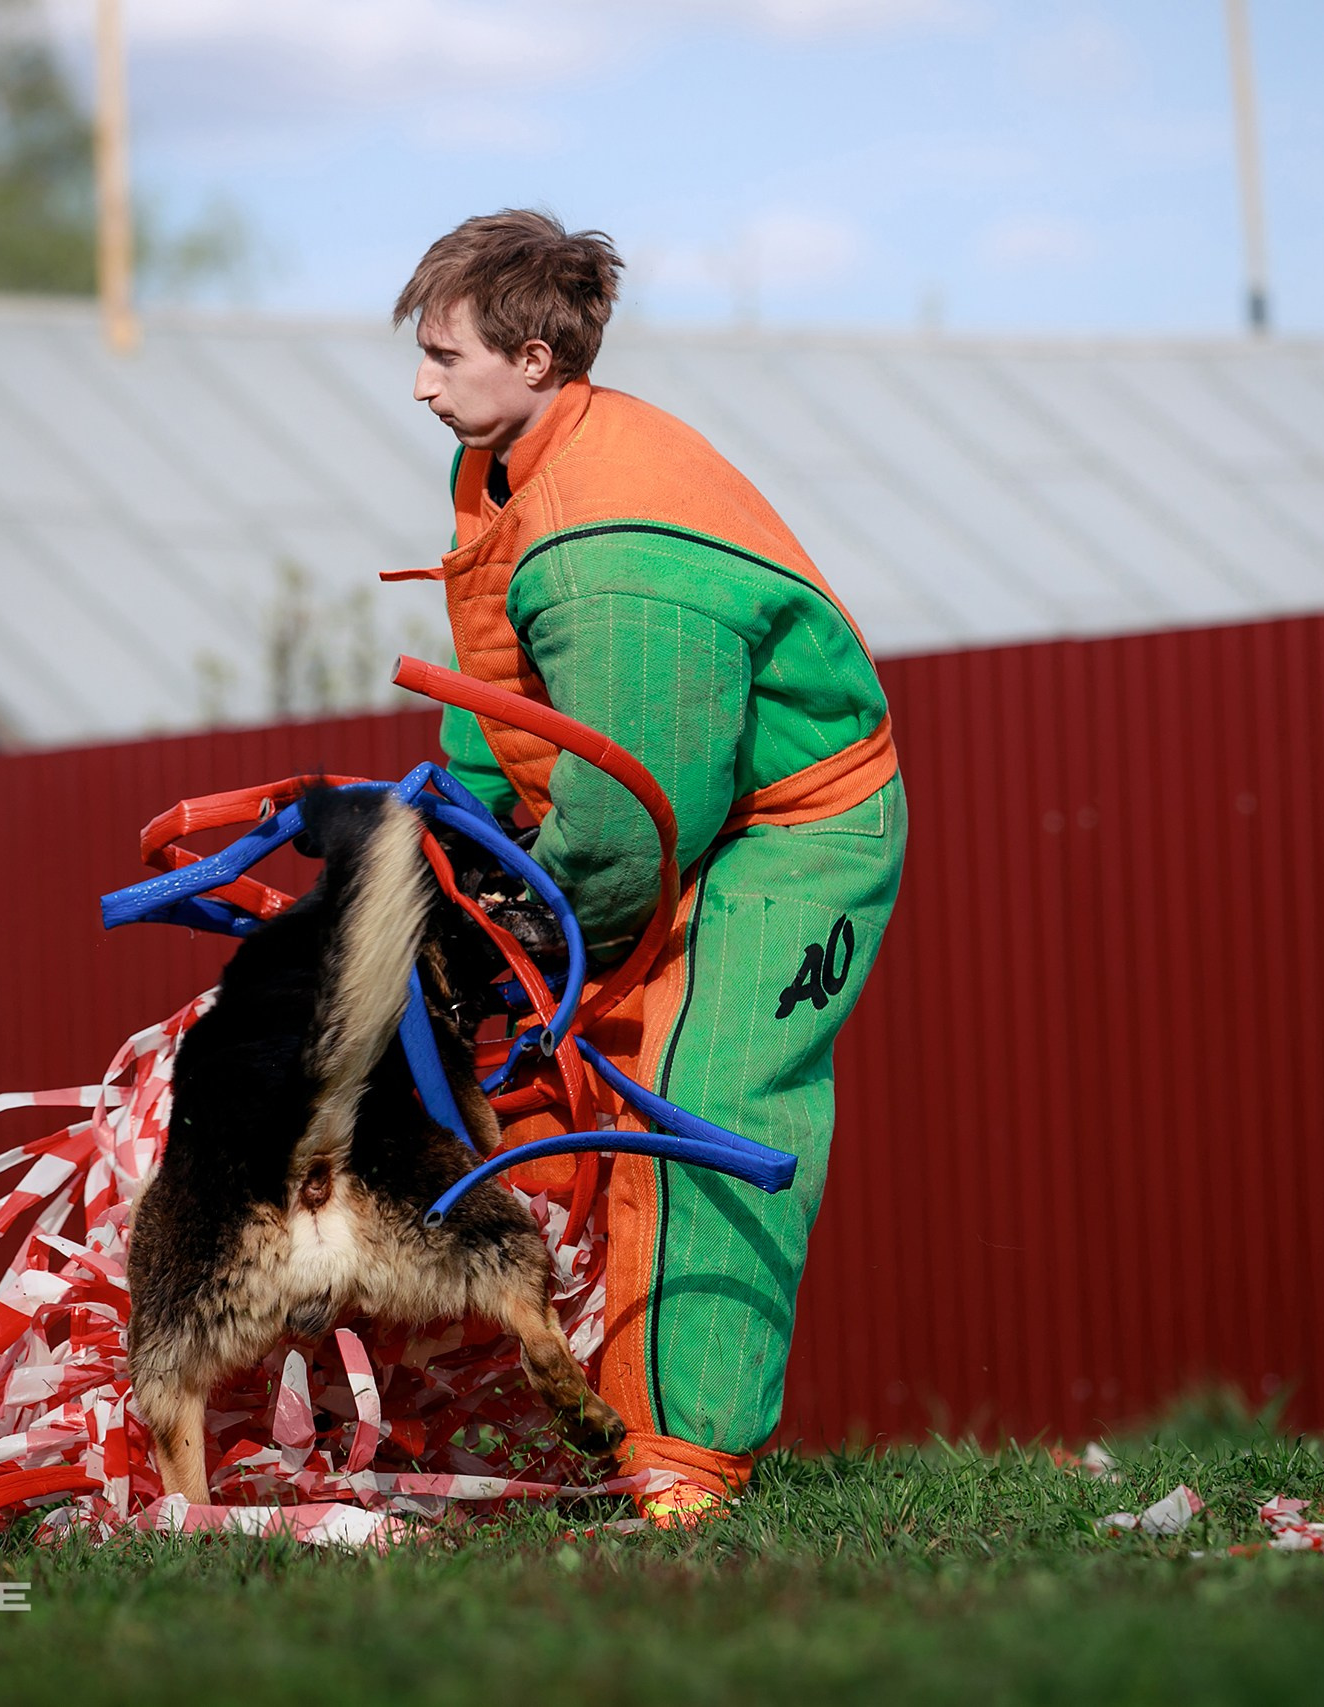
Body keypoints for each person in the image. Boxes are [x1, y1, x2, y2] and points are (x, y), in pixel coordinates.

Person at [390, 209, 906, 1523]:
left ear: (534, 358)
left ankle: (684, 1456)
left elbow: (631, 822)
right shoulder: (515, 462)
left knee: (703, 1104)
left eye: (444, 354)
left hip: (787, 829)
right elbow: (505, 693)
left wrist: (531, 927)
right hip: (678, 804)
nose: (421, 381)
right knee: (552, 1100)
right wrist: (459, 855)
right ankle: (559, 1427)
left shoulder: (609, 559)